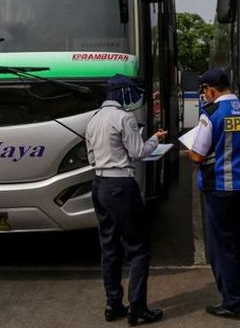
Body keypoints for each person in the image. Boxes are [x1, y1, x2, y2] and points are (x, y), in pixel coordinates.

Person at [85, 74, 167, 325]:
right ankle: (138, 307)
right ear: (121, 93)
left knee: (110, 247)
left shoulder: (93, 119)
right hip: (121, 185)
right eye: (132, 92)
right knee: (139, 249)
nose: (135, 97)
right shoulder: (124, 118)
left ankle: (113, 304)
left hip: (99, 184)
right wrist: (156, 139)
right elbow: (137, 152)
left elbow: (90, 158)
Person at [187, 68, 240, 319]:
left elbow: (197, 155)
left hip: (220, 189)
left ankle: (232, 303)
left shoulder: (211, 114)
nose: (204, 96)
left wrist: (190, 150)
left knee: (223, 247)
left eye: (204, 91)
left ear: (210, 90)